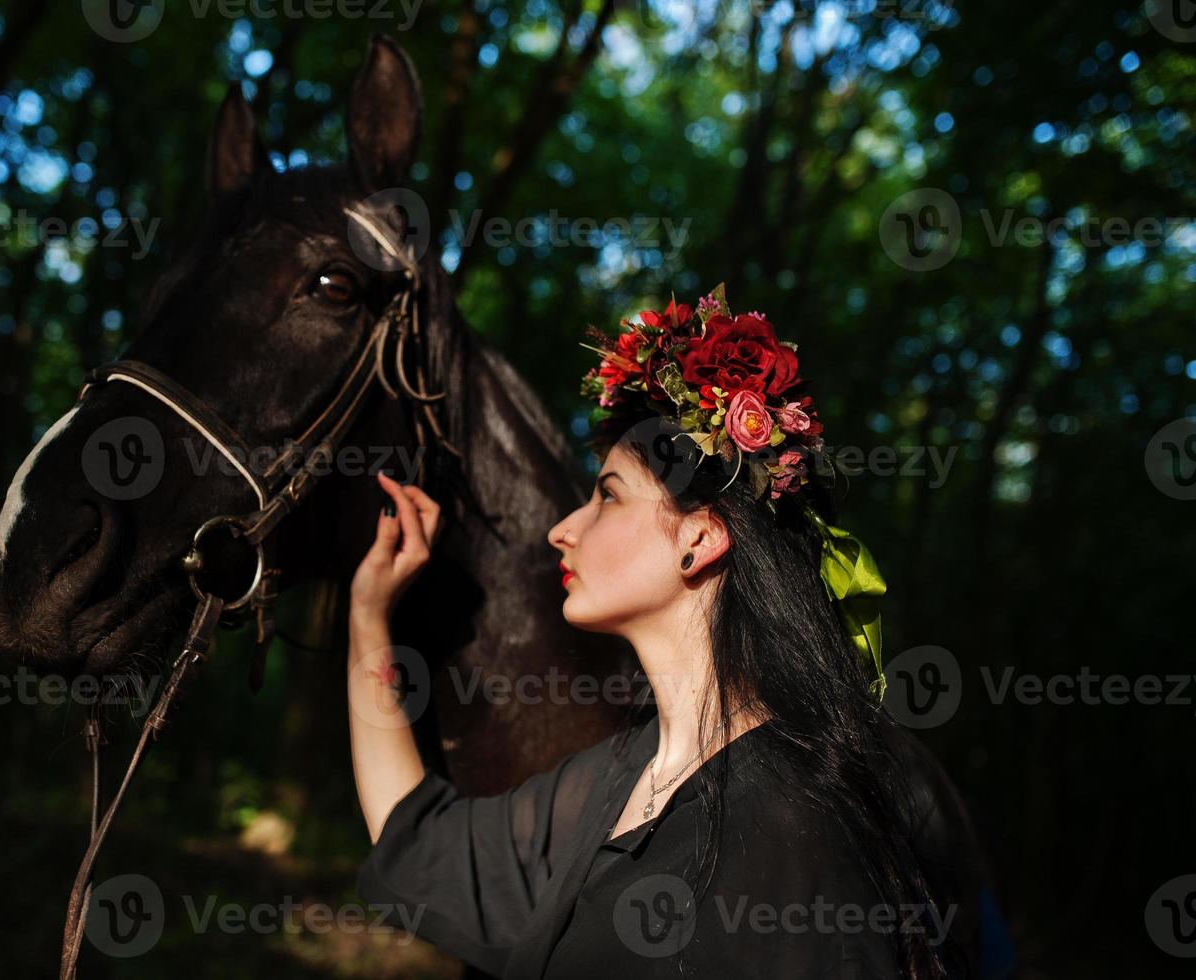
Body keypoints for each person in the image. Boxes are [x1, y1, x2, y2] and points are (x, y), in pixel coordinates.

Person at [347, 286, 984, 978]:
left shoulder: (795, 828)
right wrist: (367, 616)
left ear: (699, 539)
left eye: (608, 494)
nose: (562, 530)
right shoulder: (619, 778)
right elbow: (419, 843)